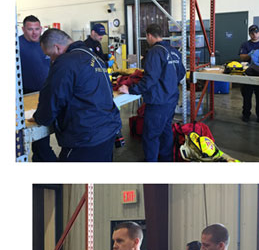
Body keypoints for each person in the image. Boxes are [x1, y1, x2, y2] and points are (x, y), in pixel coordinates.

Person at [32, 29, 121, 162]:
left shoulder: (65, 62)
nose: (51, 60)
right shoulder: (94, 57)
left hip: (84, 138)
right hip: (108, 131)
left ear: (57, 48)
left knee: (73, 182)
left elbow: (52, 98)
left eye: (50, 55)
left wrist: (39, 117)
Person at [118, 24, 186, 161]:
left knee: (151, 135)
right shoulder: (173, 51)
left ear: (149, 35)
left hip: (158, 102)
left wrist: (130, 89)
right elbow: (181, 73)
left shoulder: (154, 52)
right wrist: (169, 83)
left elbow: (149, 79)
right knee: (166, 131)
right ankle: (166, 161)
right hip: (171, 99)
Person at [18, 15, 57, 162]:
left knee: (43, 135)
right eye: (30, 29)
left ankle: (40, 159)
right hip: (26, 97)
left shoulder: (45, 43)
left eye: (37, 29)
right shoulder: (16, 45)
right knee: (37, 135)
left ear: (41, 28)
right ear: (23, 29)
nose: (34, 33)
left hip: (45, 94)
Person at [238, 25, 259, 123]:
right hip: (249, 73)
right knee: (247, 96)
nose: (254, 34)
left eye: (256, 32)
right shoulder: (245, 45)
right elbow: (242, 57)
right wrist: (250, 55)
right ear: (249, 34)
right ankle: (246, 115)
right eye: (252, 33)